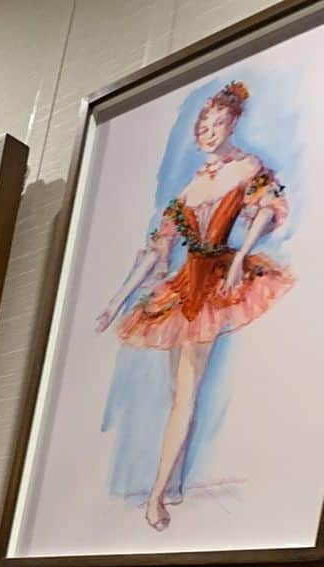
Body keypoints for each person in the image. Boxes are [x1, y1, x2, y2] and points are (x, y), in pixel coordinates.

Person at [95, 81, 292, 530]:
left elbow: (267, 207)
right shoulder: (190, 186)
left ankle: (158, 495)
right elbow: (154, 252)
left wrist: (242, 256)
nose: (208, 131)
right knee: (176, 395)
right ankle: (177, 483)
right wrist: (114, 302)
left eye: (217, 124)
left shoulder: (245, 166)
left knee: (185, 395)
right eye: (204, 124)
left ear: (232, 124)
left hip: (215, 288)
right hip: (183, 290)